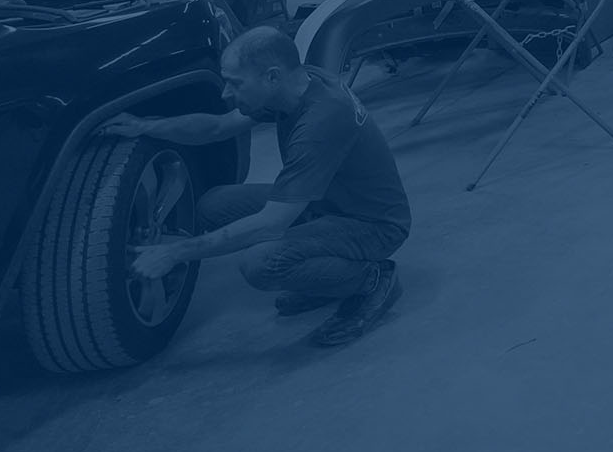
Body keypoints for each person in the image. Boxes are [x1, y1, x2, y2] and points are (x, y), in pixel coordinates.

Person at [104, 26, 411, 348]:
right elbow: (218, 127)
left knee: (260, 264)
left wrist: (174, 252)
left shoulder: (320, 123)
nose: (225, 93)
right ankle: (329, 277)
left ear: (271, 77)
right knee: (214, 205)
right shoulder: (299, 83)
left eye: (235, 83)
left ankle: (371, 279)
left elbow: (270, 223)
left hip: (373, 224)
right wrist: (145, 126)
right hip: (329, 202)